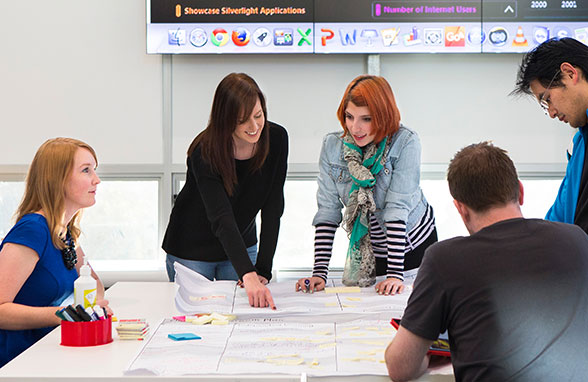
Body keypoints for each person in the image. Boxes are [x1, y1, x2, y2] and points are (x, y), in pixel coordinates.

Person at [385, 142, 588, 381]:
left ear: (461, 209)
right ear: (520, 192)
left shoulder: (445, 259)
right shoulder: (577, 239)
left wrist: (429, 357)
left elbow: (400, 368)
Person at [296, 75, 437, 295]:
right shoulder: (333, 146)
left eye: (366, 119)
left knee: (403, 305)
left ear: (383, 116)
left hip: (411, 245)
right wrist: (319, 273)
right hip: (373, 250)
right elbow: (328, 210)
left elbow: (397, 209)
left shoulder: (406, 142)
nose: (355, 128)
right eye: (349, 117)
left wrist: (395, 275)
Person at [162, 73, 288, 309]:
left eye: (258, 116)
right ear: (225, 120)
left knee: (244, 317)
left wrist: (262, 269)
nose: (254, 127)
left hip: (241, 243)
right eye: (242, 120)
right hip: (192, 249)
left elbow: (273, 207)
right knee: (198, 320)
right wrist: (248, 273)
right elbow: (221, 217)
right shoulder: (205, 151)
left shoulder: (277, 139)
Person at [0, 137, 109, 368]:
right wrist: (64, 314)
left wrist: (86, 311)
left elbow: (95, 286)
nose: (96, 180)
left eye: (94, 170)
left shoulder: (63, 230)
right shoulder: (33, 230)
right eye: (86, 170)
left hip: (48, 352)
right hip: (15, 360)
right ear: (57, 179)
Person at [513, 37, 588, 233]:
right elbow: (559, 218)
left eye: (547, 99)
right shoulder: (580, 144)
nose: (552, 113)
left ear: (570, 73)